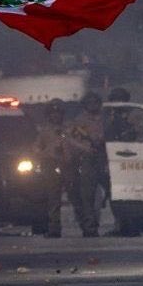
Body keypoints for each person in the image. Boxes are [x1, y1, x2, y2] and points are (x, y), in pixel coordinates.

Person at [65, 91, 106, 237]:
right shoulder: (79, 121)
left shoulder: (105, 118)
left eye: (95, 102)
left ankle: (123, 224)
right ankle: (90, 228)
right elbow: (71, 140)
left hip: (106, 158)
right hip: (88, 160)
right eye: (90, 103)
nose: (93, 105)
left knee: (114, 193)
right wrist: (86, 148)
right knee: (87, 197)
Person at [34, 98, 71, 237]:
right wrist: (46, 153)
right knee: (53, 199)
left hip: (70, 166)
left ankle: (89, 229)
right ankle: (54, 229)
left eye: (58, 113)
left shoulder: (69, 129)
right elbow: (36, 148)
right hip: (51, 166)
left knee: (78, 198)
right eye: (52, 113)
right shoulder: (44, 131)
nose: (55, 115)